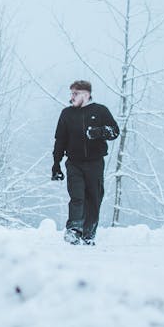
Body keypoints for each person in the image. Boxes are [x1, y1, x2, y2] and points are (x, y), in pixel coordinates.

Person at [52, 80, 119, 245]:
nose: (72, 97)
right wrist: (56, 164)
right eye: (71, 93)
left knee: (93, 198)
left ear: (86, 94)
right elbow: (60, 140)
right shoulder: (67, 114)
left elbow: (114, 131)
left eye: (76, 93)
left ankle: (88, 235)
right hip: (74, 162)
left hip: (95, 163)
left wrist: (98, 132)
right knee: (77, 196)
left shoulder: (100, 111)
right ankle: (74, 230)